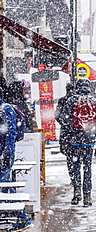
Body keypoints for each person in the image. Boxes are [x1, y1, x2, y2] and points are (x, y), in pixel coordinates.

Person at [59, 78, 96, 206]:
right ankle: (88, 197)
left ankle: (77, 191)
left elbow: (65, 123)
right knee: (87, 168)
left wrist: (63, 141)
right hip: (89, 141)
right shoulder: (94, 101)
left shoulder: (71, 101)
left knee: (76, 166)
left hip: (74, 141)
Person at [0, 87, 34, 231]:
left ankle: (23, 218)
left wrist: (7, 153)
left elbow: (11, 132)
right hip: (3, 152)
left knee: (4, 186)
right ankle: (22, 218)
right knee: (5, 185)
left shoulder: (5, 109)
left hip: (4, 154)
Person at [54, 83, 75, 155]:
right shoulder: (78, 100)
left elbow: (56, 115)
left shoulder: (62, 100)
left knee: (69, 156)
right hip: (77, 131)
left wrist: (63, 123)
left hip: (65, 131)